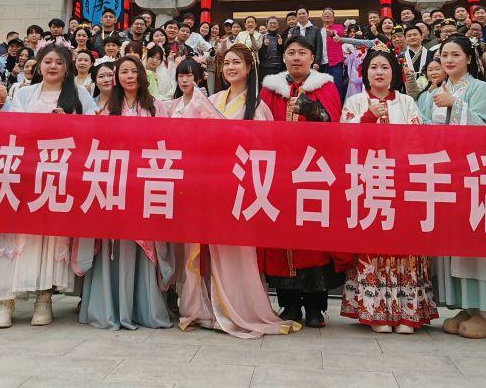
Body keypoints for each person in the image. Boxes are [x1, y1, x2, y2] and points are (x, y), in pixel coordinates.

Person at [172, 42, 301, 338]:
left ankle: (235, 309)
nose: (230, 68)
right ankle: (203, 309)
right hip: (208, 182)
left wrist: (232, 135)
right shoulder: (212, 99)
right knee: (201, 246)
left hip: (238, 185)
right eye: (226, 63)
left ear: (249, 67)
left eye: (236, 63)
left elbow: (264, 147)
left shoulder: (257, 106)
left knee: (234, 248)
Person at [0, 45, 96, 329]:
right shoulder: (24, 93)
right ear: (39, 66)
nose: (52, 67)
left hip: (56, 175)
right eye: (47, 61)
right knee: (15, 236)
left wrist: (68, 124)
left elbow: (93, 131)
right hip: (25, 173)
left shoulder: (81, 96)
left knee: (48, 237)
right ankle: (5, 302)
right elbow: (11, 128)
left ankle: (43, 298)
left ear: (67, 67)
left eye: (59, 62)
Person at [418, 35, 486, 338]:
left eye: (455, 54)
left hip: (474, 174)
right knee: (452, 241)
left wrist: (455, 105)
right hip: (445, 174)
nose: (448, 60)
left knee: (475, 241)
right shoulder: (435, 92)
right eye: (444, 55)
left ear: (469, 58)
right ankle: (466, 306)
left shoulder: (480, 89)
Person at [340, 49, 438, 335]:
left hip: (402, 181)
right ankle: (375, 310)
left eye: (385, 67)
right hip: (369, 181)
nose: (379, 72)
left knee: (405, 244)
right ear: (365, 73)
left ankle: (408, 311)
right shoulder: (355, 102)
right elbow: (344, 138)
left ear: (394, 72)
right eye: (373, 67)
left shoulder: (407, 102)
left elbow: (418, 140)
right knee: (374, 243)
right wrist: (369, 117)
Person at [75, 55, 175, 330]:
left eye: (133, 71)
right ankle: (110, 307)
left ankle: (143, 307)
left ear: (142, 74)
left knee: (142, 241)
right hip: (115, 183)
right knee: (114, 243)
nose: (129, 76)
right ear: (117, 77)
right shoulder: (107, 107)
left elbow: (166, 142)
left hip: (145, 182)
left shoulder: (156, 106)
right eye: (124, 72)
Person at [259, 36, 345, 327]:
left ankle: (316, 307)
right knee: (281, 238)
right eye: (291, 52)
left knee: (313, 240)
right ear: (283, 58)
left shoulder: (325, 87)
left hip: (314, 172)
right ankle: (289, 305)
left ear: (312, 58)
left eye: (302, 52)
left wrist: (307, 107)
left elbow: (334, 124)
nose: (296, 57)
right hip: (280, 172)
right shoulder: (270, 88)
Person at [318, 7, 346, 99]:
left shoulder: (339, 27)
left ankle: (339, 107)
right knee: (323, 89)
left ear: (333, 18)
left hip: (335, 63)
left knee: (337, 87)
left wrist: (332, 33)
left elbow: (338, 32)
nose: (327, 15)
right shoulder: (318, 31)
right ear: (322, 17)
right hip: (321, 64)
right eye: (325, 14)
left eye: (329, 14)